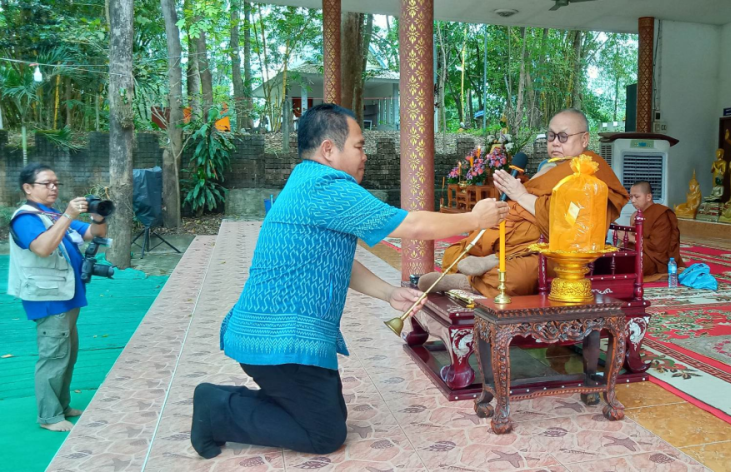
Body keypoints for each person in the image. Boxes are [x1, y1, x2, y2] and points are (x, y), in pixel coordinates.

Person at [189, 104, 507, 459]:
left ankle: (225, 403)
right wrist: (474, 218)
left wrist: (388, 292)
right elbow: (412, 226)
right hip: (278, 338)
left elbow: (337, 260)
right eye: (358, 145)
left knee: (328, 416)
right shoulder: (326, 185)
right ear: (329, 149)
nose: (365, 155)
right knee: (325, 435)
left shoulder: (305, 180)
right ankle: (216, 408)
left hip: (276, 334)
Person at [421, 108, 628, 297]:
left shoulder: (591, 170)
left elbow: (571, 222)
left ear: (584, 139)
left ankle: (468, 279)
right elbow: (527, 202)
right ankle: (493, 260)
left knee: (515, 277)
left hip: (551, 246)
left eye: (563, 137)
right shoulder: (547, 167)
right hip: (510, 233)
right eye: (551, 136)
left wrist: (520, 195)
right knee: (453, 253)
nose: (555, 142)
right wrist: (510, 193)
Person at [7, 163, 109, 432]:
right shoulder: (26, 218)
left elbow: (94, 234)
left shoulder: (50, 213)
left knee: (67, 355)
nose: (53, 187)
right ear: (28, 188)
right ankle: (49, 417)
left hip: (67, 294)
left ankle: (62, 406)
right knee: (53, 357)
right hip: (48, 297)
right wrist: (67, 215)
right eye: (46, 183)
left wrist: (99, 216)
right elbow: (42, 247)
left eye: (56, 183)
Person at [617, 181, 685, 279]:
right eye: (631, 197)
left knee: (625, 264)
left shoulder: (661, 215)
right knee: (608, 258)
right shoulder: (635, 215)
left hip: (656, 260)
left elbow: (658, 247)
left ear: (648, 197)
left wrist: (631, 238)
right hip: (637, 252)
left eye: (637, 197)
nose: (633, 200)